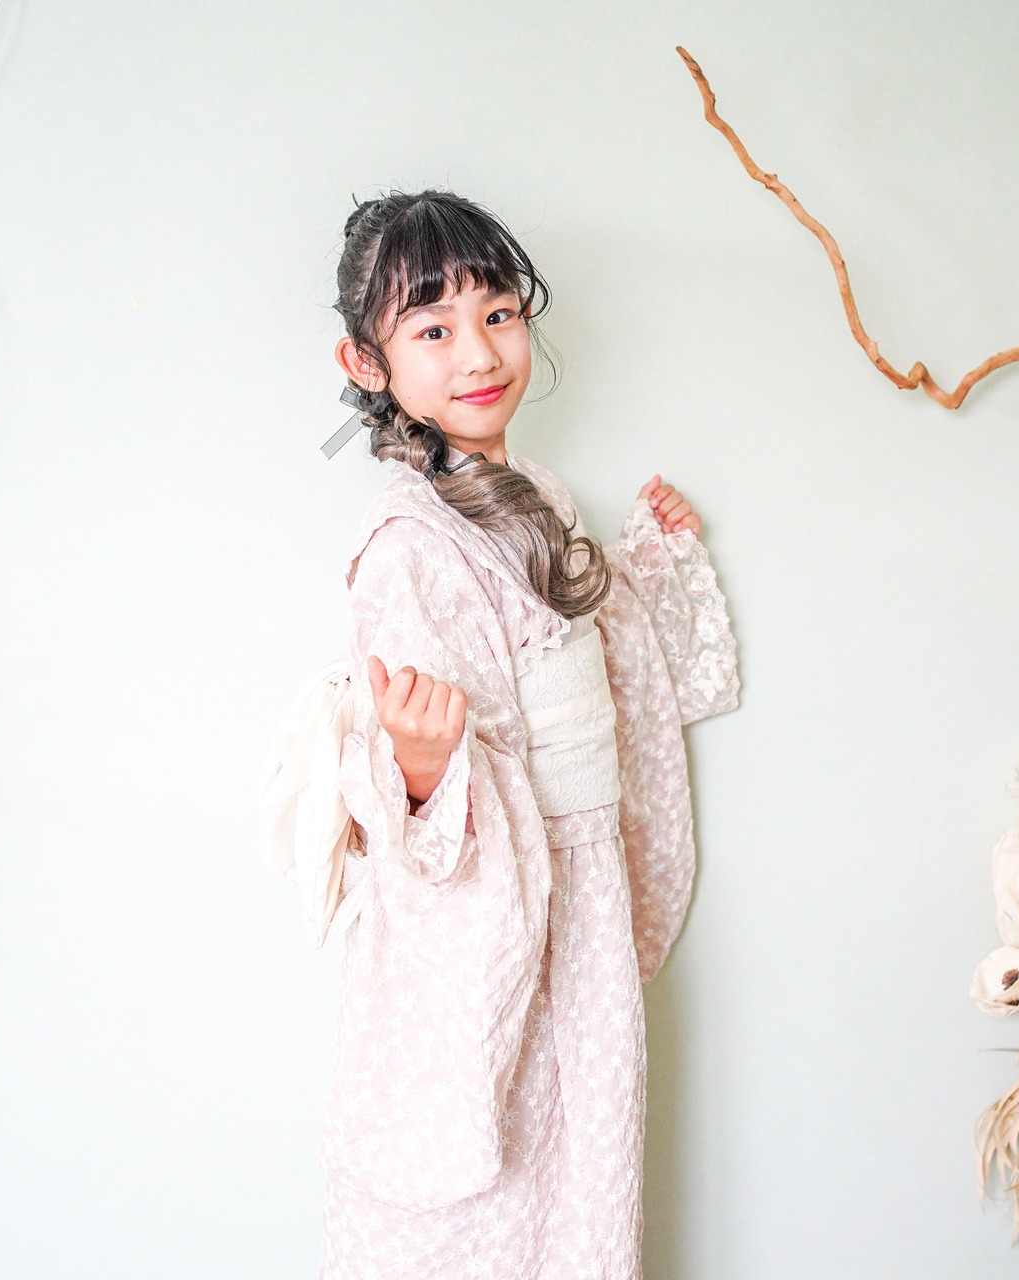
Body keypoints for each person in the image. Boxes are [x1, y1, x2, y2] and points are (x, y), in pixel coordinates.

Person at [320, 189, 739, 1279]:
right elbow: (401, 778)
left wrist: (643, 565)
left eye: (497, 313)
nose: (478, 353)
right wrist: (422, 771)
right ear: (367, 363)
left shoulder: (540, 494)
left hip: (580, 906)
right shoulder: (405, 547)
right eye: (432, 329)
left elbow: (590, 659)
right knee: (485, 1208)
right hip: (499, 910)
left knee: (580, 1196)